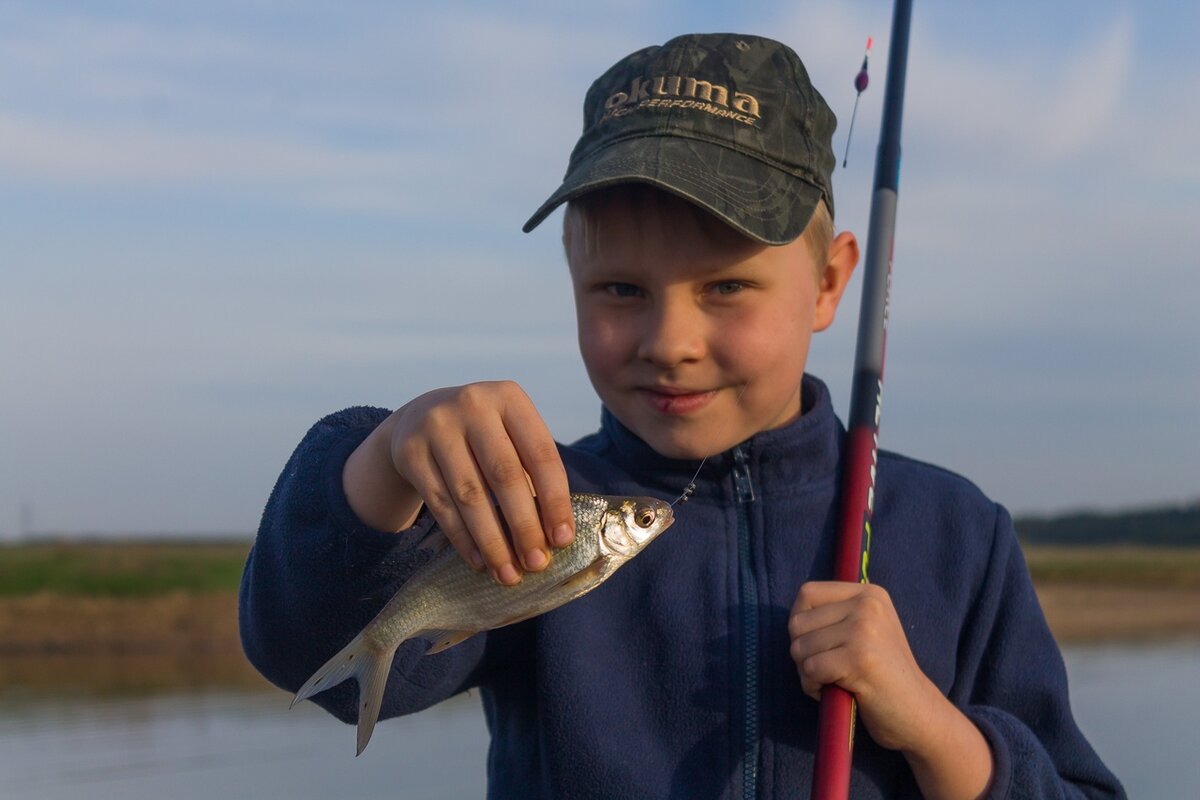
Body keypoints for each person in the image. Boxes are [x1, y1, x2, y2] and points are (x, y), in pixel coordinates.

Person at [239, 33, 1124, 799]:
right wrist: (384, 458)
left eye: (726, 287)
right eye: (621, 290)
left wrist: (935, 728)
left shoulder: (956, 534)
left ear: (828, 282)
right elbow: (307, 656)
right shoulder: (529, 512)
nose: (670, 340)